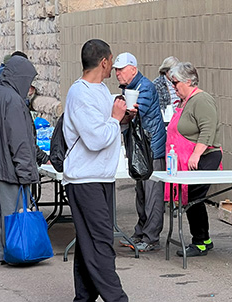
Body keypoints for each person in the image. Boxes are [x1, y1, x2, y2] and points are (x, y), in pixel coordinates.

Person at [63, 39, 128, 301]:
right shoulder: (79, 94)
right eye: (111, 61)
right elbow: (95, 139)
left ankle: (84, 298)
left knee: (88, 243)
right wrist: (115, 119)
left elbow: (107, 128)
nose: (113, 66)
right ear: (104, 61)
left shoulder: (101, 90)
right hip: (84, 178)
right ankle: (117, 298)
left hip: (100, 175)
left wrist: (122, 116)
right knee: (101, 243)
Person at [0, 56, 41, 266]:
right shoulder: (13, 101)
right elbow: (20, 140)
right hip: (8, 166)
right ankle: (16, 252)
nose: (30, 87)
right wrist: (27, 173)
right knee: (13, 213)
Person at [113, 52, 167, 253]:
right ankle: (140, 231)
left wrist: (120, 113)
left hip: (150, 148)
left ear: (133, 69)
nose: (117, 73)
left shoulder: (145, 87)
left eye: (121, 69)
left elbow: (135, 111)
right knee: (141, 193)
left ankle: (151, 237)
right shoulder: (130, 88)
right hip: (140, 149)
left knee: (152, 193)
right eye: (116, 69)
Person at [166, 62, 222, 257]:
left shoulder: (201, 100)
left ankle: (199, 241)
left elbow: (208, 127)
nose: (174, 87)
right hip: (189, 158)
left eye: (175, 83)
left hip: (205, 157)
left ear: (188, 81)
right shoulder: (185, 101)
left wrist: (196, 154)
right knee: (192, 199)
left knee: (194, 198)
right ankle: (204, 239)